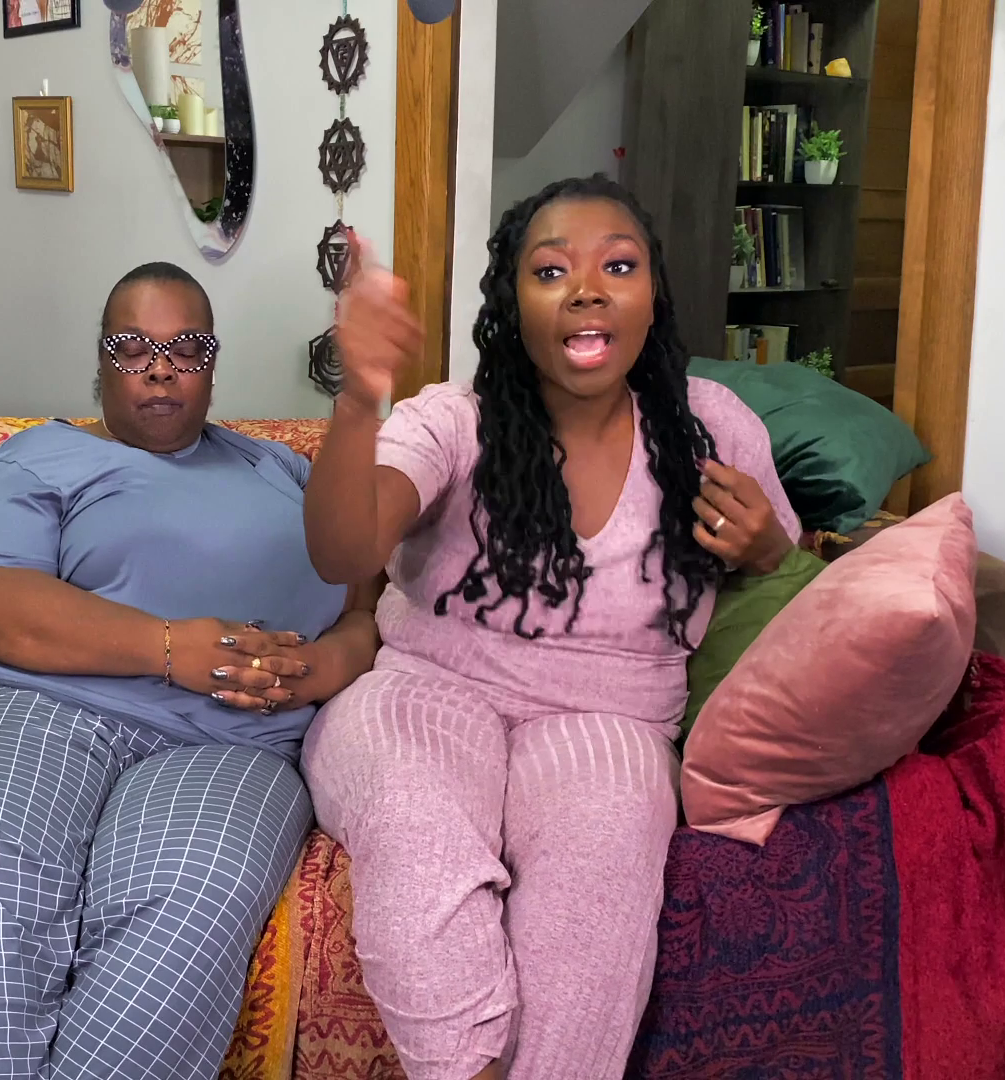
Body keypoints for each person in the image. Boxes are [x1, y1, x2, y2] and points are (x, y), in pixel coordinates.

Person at [300, 176, 800, 1080]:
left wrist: (766, 550)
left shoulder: (712, 427)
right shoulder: (454, 419)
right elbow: (344, 552)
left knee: (603, 862)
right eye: (551, 270)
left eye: (619, 266)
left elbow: (792, 588)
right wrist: (359, 395)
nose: (588, 290)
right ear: (512, 301)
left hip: (613, 719)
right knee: (413, 821)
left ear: (653, 296)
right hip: (424, 691)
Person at [0, 261, 382, 1080]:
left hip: (229, 744)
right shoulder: (40, 458)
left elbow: (369, 599)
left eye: (186, 348)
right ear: (101, 360)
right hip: (33, 708)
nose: (159, 368)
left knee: (195, 897)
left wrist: (331, 663)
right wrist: (174, 648)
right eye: (133, 347)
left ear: (212, 364)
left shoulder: (283, 471)